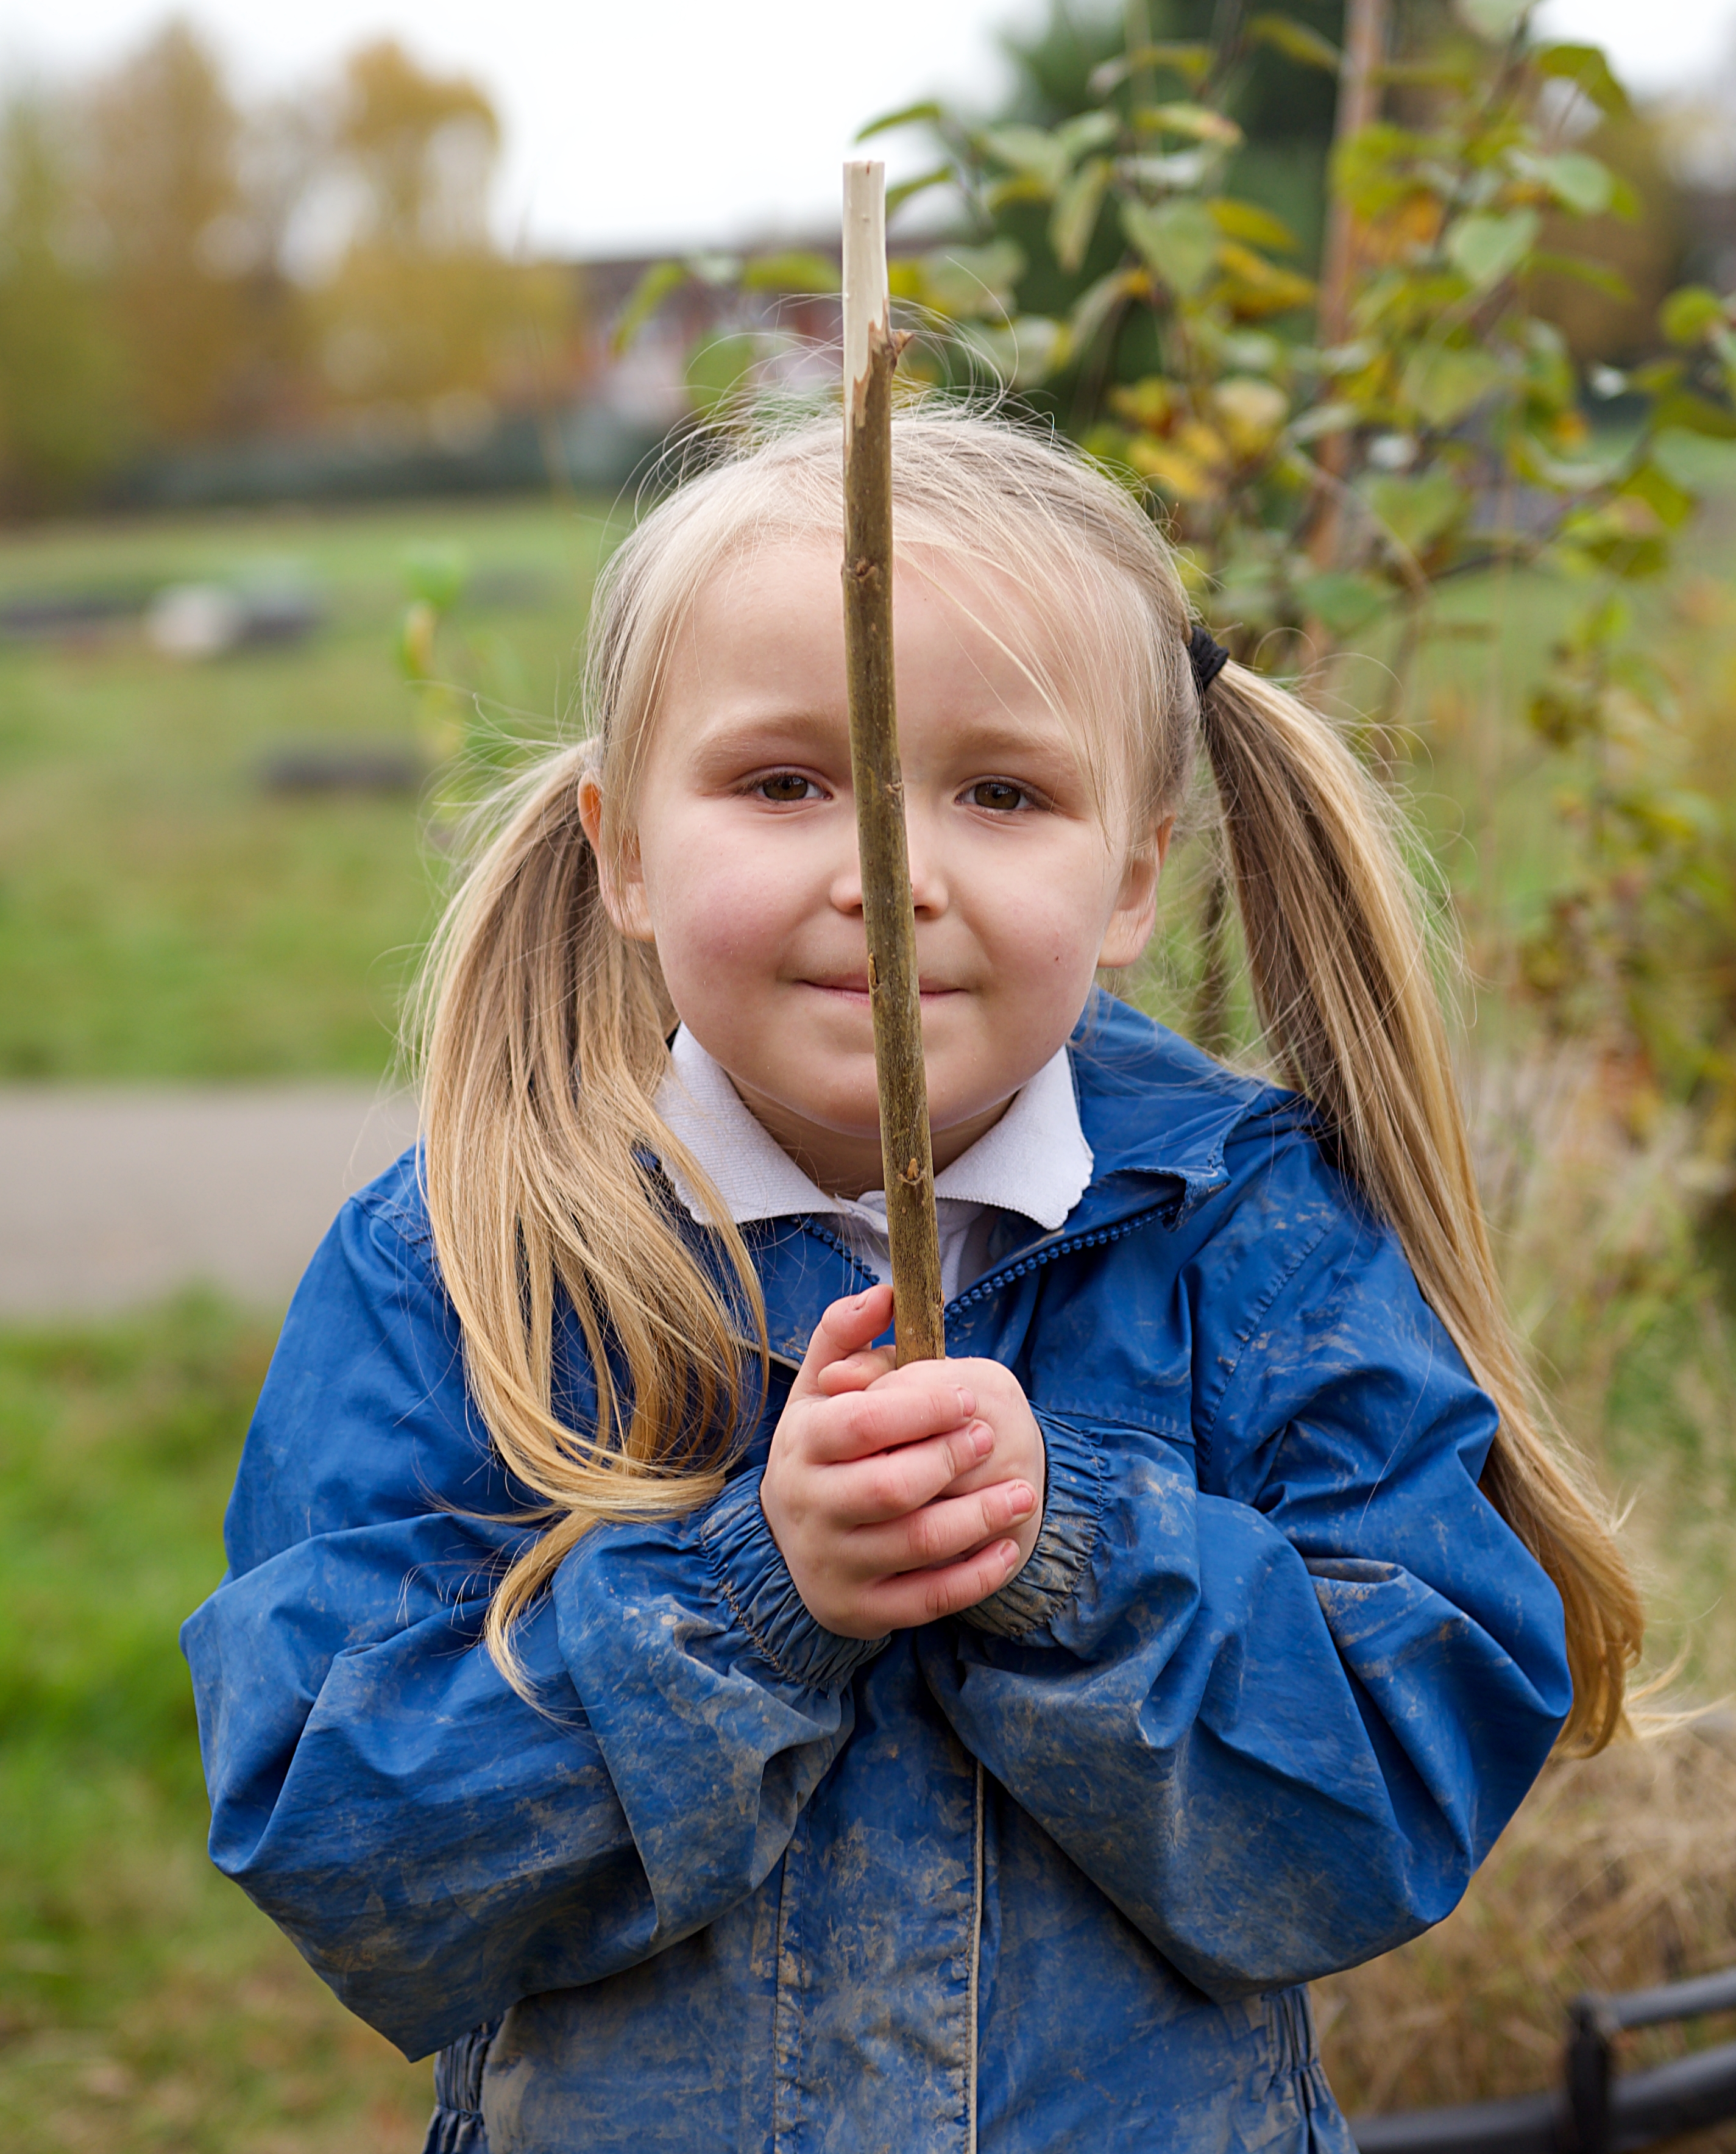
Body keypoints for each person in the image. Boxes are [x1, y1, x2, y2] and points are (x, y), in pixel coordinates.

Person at [183, 409, 1640, 2153]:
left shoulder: (1250, 1240)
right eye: (785, 783)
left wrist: (1082, 1558)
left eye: (1002, 793)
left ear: (1127, 879)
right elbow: (340, 1842)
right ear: (622, 849)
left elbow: (1397, 1794)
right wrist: (742, 1606)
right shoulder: (475, 1264)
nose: (889, 871)